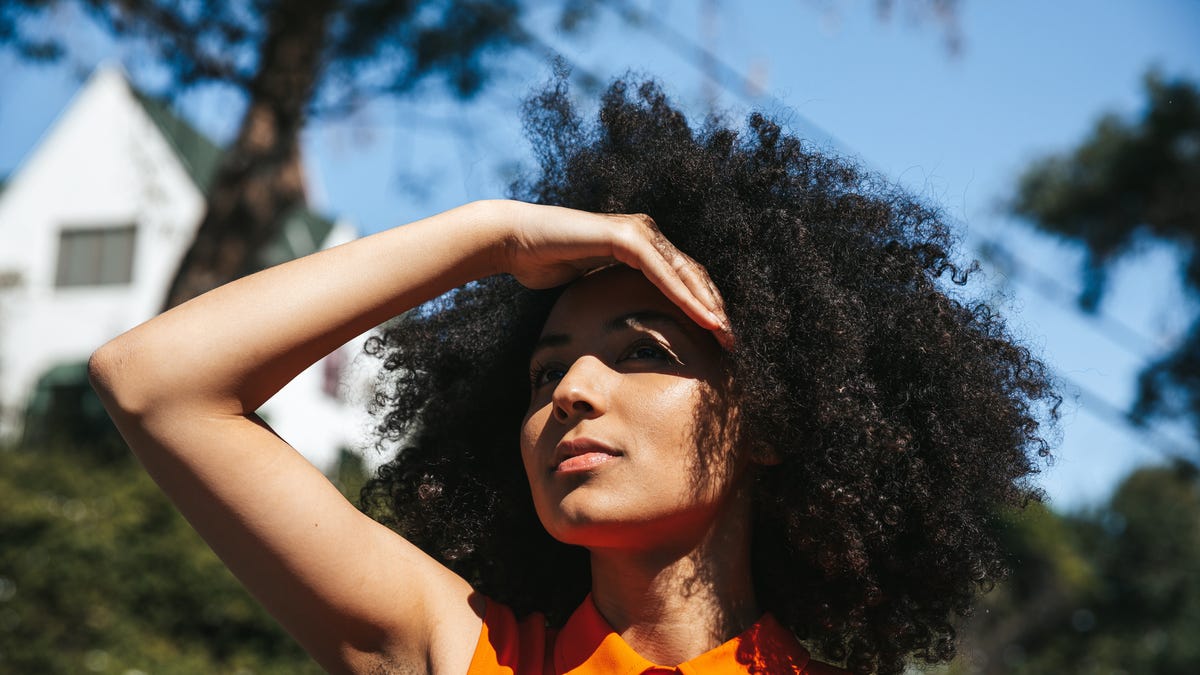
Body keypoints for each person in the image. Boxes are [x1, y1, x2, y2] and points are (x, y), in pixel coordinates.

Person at [89, 78, 1059, 675]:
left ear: (766, 420)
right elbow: (151, 382)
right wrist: (494, 236)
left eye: (644, 352)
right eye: (545, 370)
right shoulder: (468, 655)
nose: (571, 393)